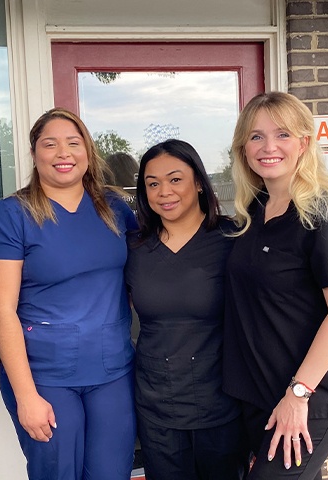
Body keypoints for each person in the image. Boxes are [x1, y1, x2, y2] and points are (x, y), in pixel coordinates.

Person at [223, 91, 328, 479]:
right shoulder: (252, 211)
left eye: (282, 135)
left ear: (304, 143)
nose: (268, 147)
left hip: (306, 397)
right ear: (243, 147)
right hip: (256, 392)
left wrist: (298, 395)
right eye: (256, 136)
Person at [0, 107, 138, 480]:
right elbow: (2, 311)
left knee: (110, 474)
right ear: (35, 154)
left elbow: (139, 280)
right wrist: (26, 396)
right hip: (45, 377)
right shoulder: (12, 214)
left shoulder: (114, 207)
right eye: (49, 144)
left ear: (88, 151)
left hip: (113, 371)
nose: (63, 153)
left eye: (73, 142)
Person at [125, 139, 247, 480]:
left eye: (175, 179)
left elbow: (279, 295)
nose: (164, 191)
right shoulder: (134, 249)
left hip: (221, 406)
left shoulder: (233, 239)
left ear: (197, 182)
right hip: (156, 407)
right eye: (152, 183)